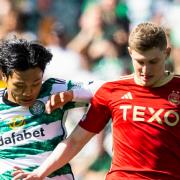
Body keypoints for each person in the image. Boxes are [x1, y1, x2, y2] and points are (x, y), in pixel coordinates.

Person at [13, 22, 180, 180]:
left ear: (166, 53)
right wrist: (40, 173)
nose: (146, 70)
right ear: (130, 52)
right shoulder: (112, 90)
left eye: (153, 62)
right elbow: (76, 141)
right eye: (140, 62)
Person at [0, 37, 102, 180]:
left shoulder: (53, 90)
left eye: (36, 83)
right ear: (4, 76)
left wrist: (71, 95)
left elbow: (106, 89)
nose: (28, 92)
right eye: (20, 86)